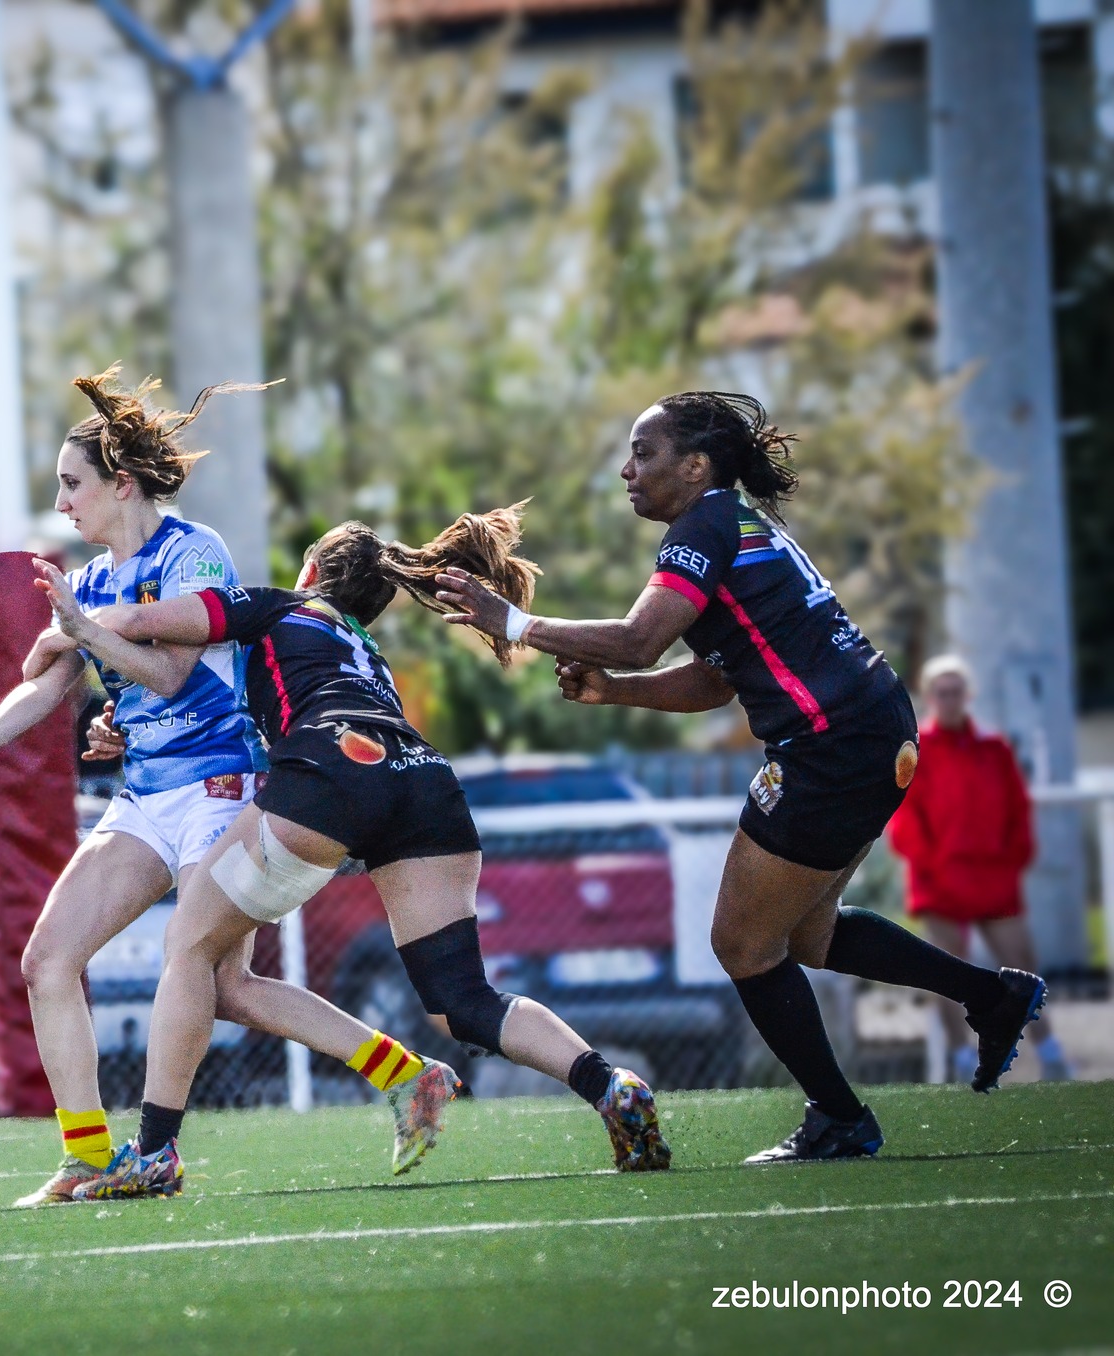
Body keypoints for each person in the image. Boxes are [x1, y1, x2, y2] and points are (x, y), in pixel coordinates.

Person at [432, 391, 1048, 1164]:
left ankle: (840, 1118)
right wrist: (615, 690)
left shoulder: (706, 526)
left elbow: (638, 637)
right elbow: (714, 682)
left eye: (644, 453)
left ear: (695, 467)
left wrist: (511, 621)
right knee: (809, 936)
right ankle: (992, 997)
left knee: (741, 943)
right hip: (872, 729)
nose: (628, 470)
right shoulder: (736, 524)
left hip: (830, 743)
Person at [0, 368, 458, 1205]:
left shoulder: (192, 552)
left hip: (225, 790)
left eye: (72, 485)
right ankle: (87, 1158)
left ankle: (176, 1148)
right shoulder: (91, 581)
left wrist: (86, 638)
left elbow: (170, 677)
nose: (61, 503)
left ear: (121, 484)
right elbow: (48, 681)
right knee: (48, 959)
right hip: (144, 798)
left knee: (215, 976)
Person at [33, 508, 672, 1201]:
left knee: (189, 945)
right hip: (424, 782)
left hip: (333, 776)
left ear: (311, 571)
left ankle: (153, 1153)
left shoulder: (279, 605)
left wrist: (71, 630)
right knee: (462, 1000)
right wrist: (123, 722)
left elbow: (147, 625)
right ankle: (608, 1082)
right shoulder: (365, 649)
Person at [888, 656, 1068, 1082]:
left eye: (956, 692)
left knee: (1022, 964)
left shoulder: (994, 749)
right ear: (930, 697)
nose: (949, 700)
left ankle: (1051, 1052)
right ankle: (961, 1059)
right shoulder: (916, 751)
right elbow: (904, 820)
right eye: (941, 692)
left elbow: (1017, 811)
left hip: (993, 879)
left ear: (967, 696)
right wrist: (936, 864)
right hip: (940, 881)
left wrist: (1011, 860)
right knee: (946, 972)